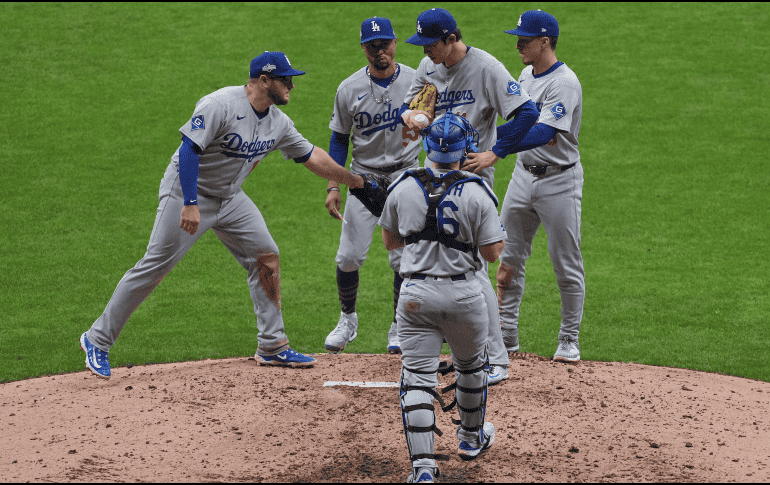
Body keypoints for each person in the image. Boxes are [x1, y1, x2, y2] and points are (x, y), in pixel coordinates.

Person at [79, 51, 368, 379]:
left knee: (266, 256)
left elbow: (312, 156)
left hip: (230, 198)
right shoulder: (220, 105)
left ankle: (272, 345)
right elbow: (189, 149)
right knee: (155, 266)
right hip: (188, 191)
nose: (291, 85)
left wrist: (354, 182)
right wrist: (190, 202)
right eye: (285, 79)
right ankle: (97, 339)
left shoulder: (278, 122)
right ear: (263, 80)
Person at [400, 7, 540, 385]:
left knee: (471, 271)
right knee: (445, 268)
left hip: (470, 181)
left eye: (431, 45)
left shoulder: (486, 68)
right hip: (433, 177)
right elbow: (409, 105)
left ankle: (496, 359)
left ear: (451, 39)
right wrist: (410, 119)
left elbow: (527, 112)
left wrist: (497, 151)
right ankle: (469, 353)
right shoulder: (428, 66)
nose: (426, 51)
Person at [379, 113, 505, 483]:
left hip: (415, 295)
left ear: (427, 147)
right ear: (465, 149)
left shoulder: (402, 185)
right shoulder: (479, 191)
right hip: (464, 294)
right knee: (470, 366)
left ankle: (422, 470)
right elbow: (493, 253)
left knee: (417, 378)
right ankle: (469, 439)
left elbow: (390, 242)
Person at [463, 10, 585, 363]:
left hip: (560, 180)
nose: (518, 43)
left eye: (525, 39)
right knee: (508, 258)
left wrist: (494, 149)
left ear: (544, 42)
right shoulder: (526, 74)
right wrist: (486, 138)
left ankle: (568, 339)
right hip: (523, 177)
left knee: (566, 263)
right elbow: (519, 123)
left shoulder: (564, 83)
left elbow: (543, 132)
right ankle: (506, 333)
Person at [323, 17, 421, 355]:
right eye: (372, 45)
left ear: (395, 43)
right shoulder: (348, 89)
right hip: (363, 180)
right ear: (364, 48)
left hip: (406, 178)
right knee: (349, 256)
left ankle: (398, 325)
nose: (379, 51)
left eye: (385, 44)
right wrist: (333, 184)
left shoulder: (415, 81)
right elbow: (339, 140)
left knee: (403, 259)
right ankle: (347, 320)